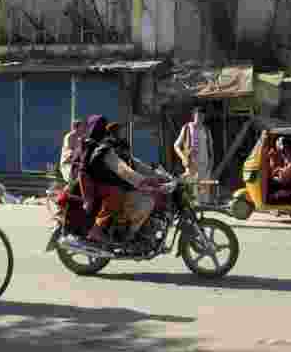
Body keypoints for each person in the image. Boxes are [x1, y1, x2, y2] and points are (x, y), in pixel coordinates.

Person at [75, 117, 163, 253]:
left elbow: (133, 163)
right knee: (136, 199)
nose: (120, 133)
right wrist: (143, 181)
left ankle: (131, 230)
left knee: (134, 195)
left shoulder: (115, 145)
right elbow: (122, 169)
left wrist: (156, 175)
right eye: (116, 130)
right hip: (97, 185)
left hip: (104, 182)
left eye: (120, 130)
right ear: (107, 131)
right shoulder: (103, 147)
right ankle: (117, 232)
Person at [174, 108, 214, 202]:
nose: (200, 117)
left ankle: (204, 214)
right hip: (192, 164)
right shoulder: (187, 128)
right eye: (198, 115)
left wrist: (212, 161)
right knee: (193, 192)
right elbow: (176, 146)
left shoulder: (206, 130)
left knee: (204, 192)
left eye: (202, 115)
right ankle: (193, 214)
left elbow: (210, 148)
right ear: (193, 115)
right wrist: (183, 157)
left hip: (205, 164)